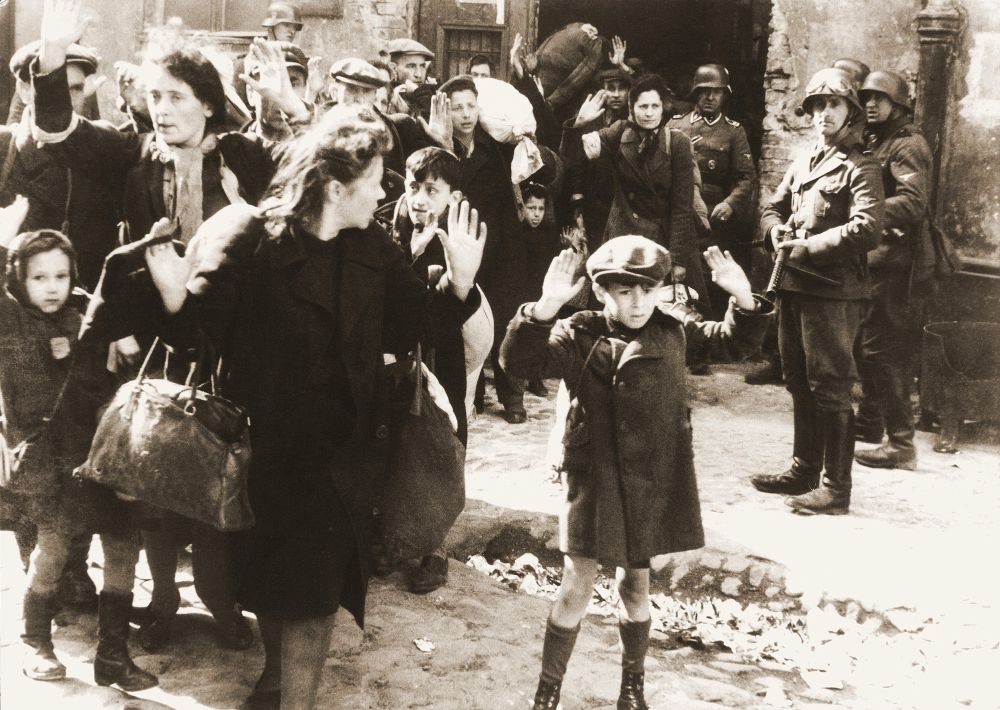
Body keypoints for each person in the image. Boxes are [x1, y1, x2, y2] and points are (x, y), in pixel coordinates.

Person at [127, 106, 486, 710]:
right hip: (262, 453)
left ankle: (291, 700)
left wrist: (458, 284)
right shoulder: (254, 241)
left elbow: (414, 326)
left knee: (315, 600)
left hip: (342, 457)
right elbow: (197, 336)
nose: (384, 190)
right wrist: (170, 298)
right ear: (337, 186)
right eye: (375, 178)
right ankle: (275, 682)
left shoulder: (373, 245)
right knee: (275, 588)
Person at [31, 0, 311, 650]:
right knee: (150, 479)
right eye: (154, 95)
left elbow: (313, 174)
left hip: (229, 344)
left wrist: (288, 103)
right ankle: (160, 599)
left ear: (209, 103)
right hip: (155, 347)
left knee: (220, 475)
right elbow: (60, 135)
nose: (161, 107)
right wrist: (49, 60)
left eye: (176, 96)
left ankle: (217, 599)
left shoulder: (243, 154)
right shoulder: (134, 160)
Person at [499, 236, 771, 710]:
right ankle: (547, 693)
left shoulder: (675, 330)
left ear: (663, 289)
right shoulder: (576, 332)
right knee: (575, 586)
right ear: (603, 292)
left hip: (649, 479)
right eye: (624, 291)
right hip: (594, 477)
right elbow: (518, 362)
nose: (639, 301)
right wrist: (542, 311)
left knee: (635, 585)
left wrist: (743, 299)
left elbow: (734, 342)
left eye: (649, 289)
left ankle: (632, 689)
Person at [0, 206, 156, 691]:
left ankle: (112, 655)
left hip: (103, 454)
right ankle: (35, 641)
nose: (52, 286)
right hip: (52, 458)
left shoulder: (85, 313)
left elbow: (113, 325)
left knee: (124, 547)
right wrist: (5, 237)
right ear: (18, 280)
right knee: (53, 549)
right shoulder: (11, 323)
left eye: (61, 275)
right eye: (39, 276)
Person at [749, 68, 885, 515]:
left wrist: (810, 246)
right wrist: (774, 233)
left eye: (833, 105)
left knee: (830, 386)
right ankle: (803, 469)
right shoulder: (805, 159)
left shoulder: (860, 166)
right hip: (793, 286)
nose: (823, 114)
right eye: (817, 106)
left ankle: (835, 488)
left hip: (833, 291)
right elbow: (771, 205)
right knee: (797, 380)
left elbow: (867, 229)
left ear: (850, 114)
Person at [390, 146, 493, 594]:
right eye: (414, 187)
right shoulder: (390, 232)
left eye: (432, 189)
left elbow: (456, 312)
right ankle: (393, 539)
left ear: (452, 196)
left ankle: (437, 551)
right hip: (398, 363)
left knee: (443, 448)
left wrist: (453, 278)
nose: (419, 198)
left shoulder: (454, 240)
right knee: (399, 447)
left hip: (442, 358)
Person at [853, 70, 934, 470]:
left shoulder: (908, 145)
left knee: (885, 351)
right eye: (866, 97)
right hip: (877, 261)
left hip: (898, 266)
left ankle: (901, 444)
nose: (870, 104)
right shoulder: (876, 139)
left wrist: (866, 212)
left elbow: (913, 202)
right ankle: (869, 423)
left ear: (898, 105)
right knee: (868, 345)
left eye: (880, 99)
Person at [566, 73, 706, 302]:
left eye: (654, 106)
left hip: (662, 239)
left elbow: (681, 205)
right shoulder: (620, 132)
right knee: (621, 305)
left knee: (666, 308)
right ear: (632, 108)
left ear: (663, 108)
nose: (649, 112)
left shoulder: (678, 142)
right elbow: (578, 156)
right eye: (643, 106)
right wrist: (578, 125)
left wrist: (679, 260)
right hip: (624, 237)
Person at [436, 74, 527, 423]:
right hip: (458, 251)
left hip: (497, 248)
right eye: (457, 108)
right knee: (463, 323)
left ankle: (512, 396)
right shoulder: (441, 148)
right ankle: (469, 394)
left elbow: (507, 202)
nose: (465, 114)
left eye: (470, 106)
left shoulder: (494, 149)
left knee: (504, 320)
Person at [667, 64, 756, 318]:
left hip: (715, 217)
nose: (710, 97)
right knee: (676, 274)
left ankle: (713, 330)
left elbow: (746, 177)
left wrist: (730, 203)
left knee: (711, 277)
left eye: (716, 92)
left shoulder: (733, 131)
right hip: (679, 211)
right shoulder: (677, 125)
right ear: (695, 92)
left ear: (724, 95)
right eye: (705, 91)